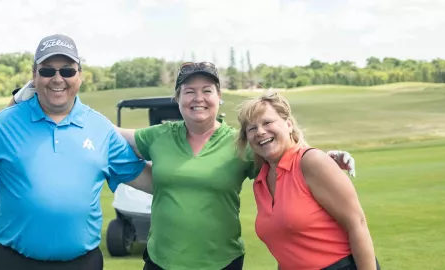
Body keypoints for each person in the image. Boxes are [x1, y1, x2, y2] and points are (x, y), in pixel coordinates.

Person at [106, 62, 358, 270]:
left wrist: (323, 158)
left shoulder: (241, 143)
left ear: (219, 97)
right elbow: (111, 134)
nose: (198, 98)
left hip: (221, 262)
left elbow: (286, 159)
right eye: (189, 91)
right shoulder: (159, 135)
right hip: (162, 261)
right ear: (178, 98)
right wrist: (74, 115)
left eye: (207, 90)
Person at [0, 34, 153, 270]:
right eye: (47, 71)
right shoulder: (3, 124)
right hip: (14, 262)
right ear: (34, 75)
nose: (57, 79)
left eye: (67, 71)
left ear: (79, 75)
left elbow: (146, 179)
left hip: (82, 263)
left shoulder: (100, 128)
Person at [236, 92, 380, 270]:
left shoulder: (311, 162)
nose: (260, 132)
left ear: (288, 125)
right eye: (252, 128)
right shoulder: (261, 181)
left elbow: (357, 224)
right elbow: (287, 249)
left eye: (267, 122)